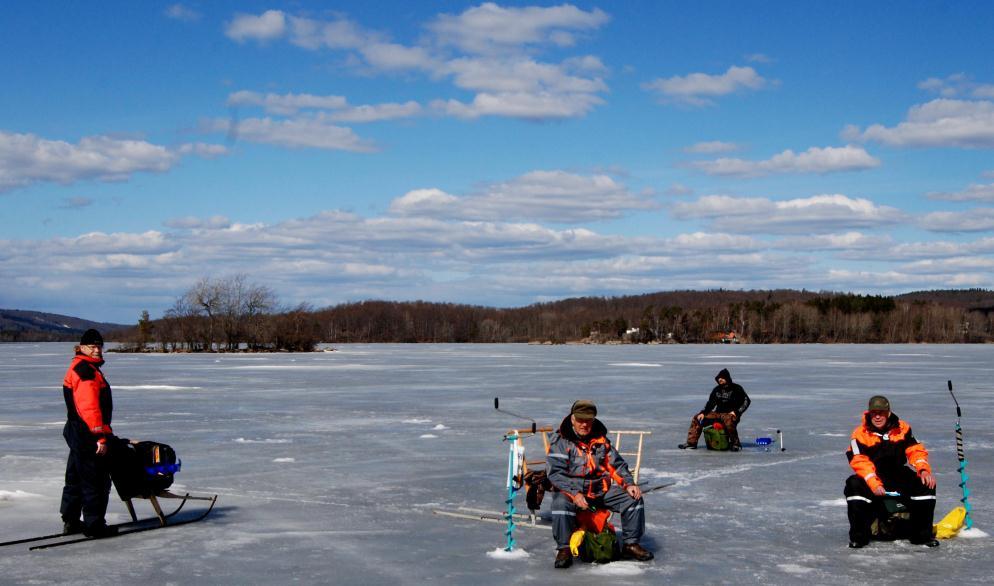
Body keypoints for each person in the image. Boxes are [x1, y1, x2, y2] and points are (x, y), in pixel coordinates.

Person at [546, 400, 654, 569]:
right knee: (560, 503)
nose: (584, 424)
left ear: (593, 420)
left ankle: (630, 545)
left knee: (633, 498)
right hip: (570, 491)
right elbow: (555, 474)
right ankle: (564, 549)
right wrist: (575, 493)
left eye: (588, 420)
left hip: (600, 490)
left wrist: (628, 484)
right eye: (580, 420)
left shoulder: (601, 440)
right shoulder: (561, 441)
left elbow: (615, 465)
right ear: (572, 419)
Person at [844, 395, 938, 548]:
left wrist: (923, 470)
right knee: (853, 484)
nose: (878, 416)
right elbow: (859, 461)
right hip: (872, 477)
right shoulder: (859, 434)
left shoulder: (903, 428)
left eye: (881, 412)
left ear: (888, 413)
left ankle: (922, 536)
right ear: (869, 414)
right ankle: (859, 537)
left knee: (926, 484)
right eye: (874, 413)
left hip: (898, 474)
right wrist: (874, 484)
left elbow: (915, 450)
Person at [60, 329, 118, 537]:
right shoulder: (86, 371)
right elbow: (89, 407)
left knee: (75, 476)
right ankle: (94, 525)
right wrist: (99, 437)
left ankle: (71, 521)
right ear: (82, 347)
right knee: (96, 479)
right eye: (92, 346)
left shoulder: (79, 366)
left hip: (76, 431)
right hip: (87, 432)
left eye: (99, 346)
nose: (96, 350)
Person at [679, 368, 750, 451]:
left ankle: (735, 444)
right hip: (718, 413)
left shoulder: (737, 388)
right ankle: (691, 443)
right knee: (697, 417)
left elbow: (747, 401)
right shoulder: (717, 390)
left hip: (730, 414)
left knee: (728, 420)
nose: (720, 380)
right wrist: (703, 413)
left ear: (727, 378)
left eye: (722, 378)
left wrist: (737, 412)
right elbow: (711, 403)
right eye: (718, 378)